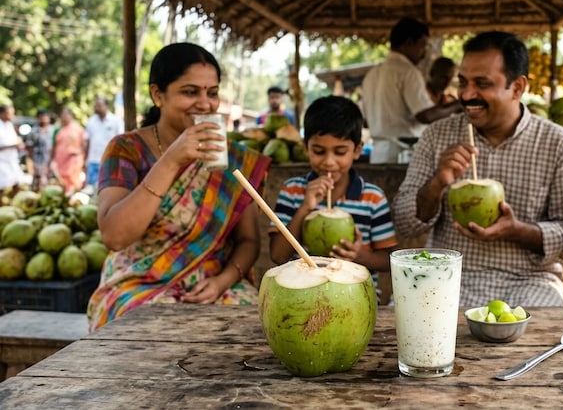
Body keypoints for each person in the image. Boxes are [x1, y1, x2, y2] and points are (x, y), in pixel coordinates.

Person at [392, 31, 563, 307]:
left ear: (517, 87)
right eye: (463, 82)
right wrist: (437, 183)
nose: (466, 94)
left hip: (528, 283)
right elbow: (403, 222)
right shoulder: (437, 136)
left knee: (542, 327)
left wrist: (517, 230)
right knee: (402, 323)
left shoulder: (558, 144)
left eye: (482, 84)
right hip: (445, 279)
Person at [87, 42, 272, 331]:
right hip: (139, 284)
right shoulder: (126, 149)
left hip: (212, 284)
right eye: (190, 92)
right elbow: (115, 236)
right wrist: (171, 160)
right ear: (157, 94)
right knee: (136, 328)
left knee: (254, 324)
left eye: (212, 93)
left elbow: (248, 241)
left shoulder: (231, 156)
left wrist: (221, 282)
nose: (205, 104)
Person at [269, 95, 398, 301]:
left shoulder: (372, 198)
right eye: (319, 151)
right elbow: (278, 255)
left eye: (340, 152)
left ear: (357, 150)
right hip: (304, 295)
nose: (329, 162)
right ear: (305, 147)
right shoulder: (292, 191)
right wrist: (304, 208)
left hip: (356, 297)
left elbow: (388, 262)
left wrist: (359, 255)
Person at [361, 17, 463, 164]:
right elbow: (425, 116)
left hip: (377, 154)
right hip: (402, 153)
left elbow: (365, 122)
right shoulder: (408, 72)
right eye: (422, 46)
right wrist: (458, 105)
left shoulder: (372, 74)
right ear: (409, 43)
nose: (424, 53)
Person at [84, 96, 124, 191]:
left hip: (109, 160)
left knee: (106, 188)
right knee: (91, 189)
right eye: (96, 106)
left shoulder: (116, 121)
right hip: (93, 160)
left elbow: (120, 141)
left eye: (100, 105)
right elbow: (87, 141)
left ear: (107, 106)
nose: (97, 108)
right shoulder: (91, 121)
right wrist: (85, 158)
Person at [49, 108, 85, 194]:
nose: (64, 117)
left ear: (71, 116)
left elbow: (84, 144)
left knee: (73, 183)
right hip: (60, 161)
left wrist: (79, 152)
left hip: (73, 161)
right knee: (61, 183)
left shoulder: (78, 129)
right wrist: (51, 160)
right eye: (62, 115)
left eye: (66, 115)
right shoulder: (58, 130)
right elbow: (53, 145)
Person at [25, 109, 55, 189]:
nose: (44, 119)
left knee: (51, 182)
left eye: (45, 116)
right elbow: (29, 148)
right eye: (41, 117)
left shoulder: (53, 130)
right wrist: (31, 163)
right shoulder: (34, 131)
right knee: (38, 183)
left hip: (51, 161)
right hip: (38, 161)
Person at [0, 104, 24, 191]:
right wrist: (13, 145)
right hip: (2, 161)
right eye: (9, 113)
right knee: (2, 186)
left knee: (18, 183)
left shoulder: (9, 125)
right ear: (2, 114)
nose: (12, 115)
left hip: (12, 160)